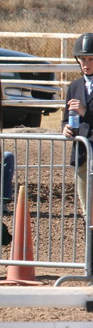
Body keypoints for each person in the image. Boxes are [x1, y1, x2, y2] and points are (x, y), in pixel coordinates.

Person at [63, 33, 93, 217]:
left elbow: (83, 112)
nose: (86, 63)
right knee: (86, 210)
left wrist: (86, 113)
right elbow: (66, 117)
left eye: (91, 59)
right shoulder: (74, 86)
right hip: (81, 154)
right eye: (82, 59)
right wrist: (65, 127)